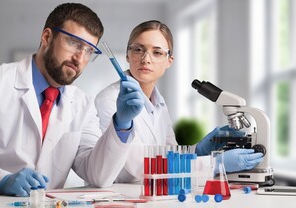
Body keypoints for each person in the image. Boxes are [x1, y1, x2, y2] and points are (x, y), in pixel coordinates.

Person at [0, 3, 145, 201]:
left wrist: (122, 124)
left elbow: (97, 174)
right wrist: (1, 181)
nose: (80, 58)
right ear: (47, 37)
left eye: (90, 50)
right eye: (74, 43)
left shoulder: (82, 105)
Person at [94, 20, 264, 183]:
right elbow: (141, 164)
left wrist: (196, 151)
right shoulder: (109, 99)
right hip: (121, 194)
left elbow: (169, 155)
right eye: (138, 49)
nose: (146, 58)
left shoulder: (158, 102)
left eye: (157, 52)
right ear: (127, 55)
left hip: (154, 193)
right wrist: (214, 164)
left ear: (169, 61)